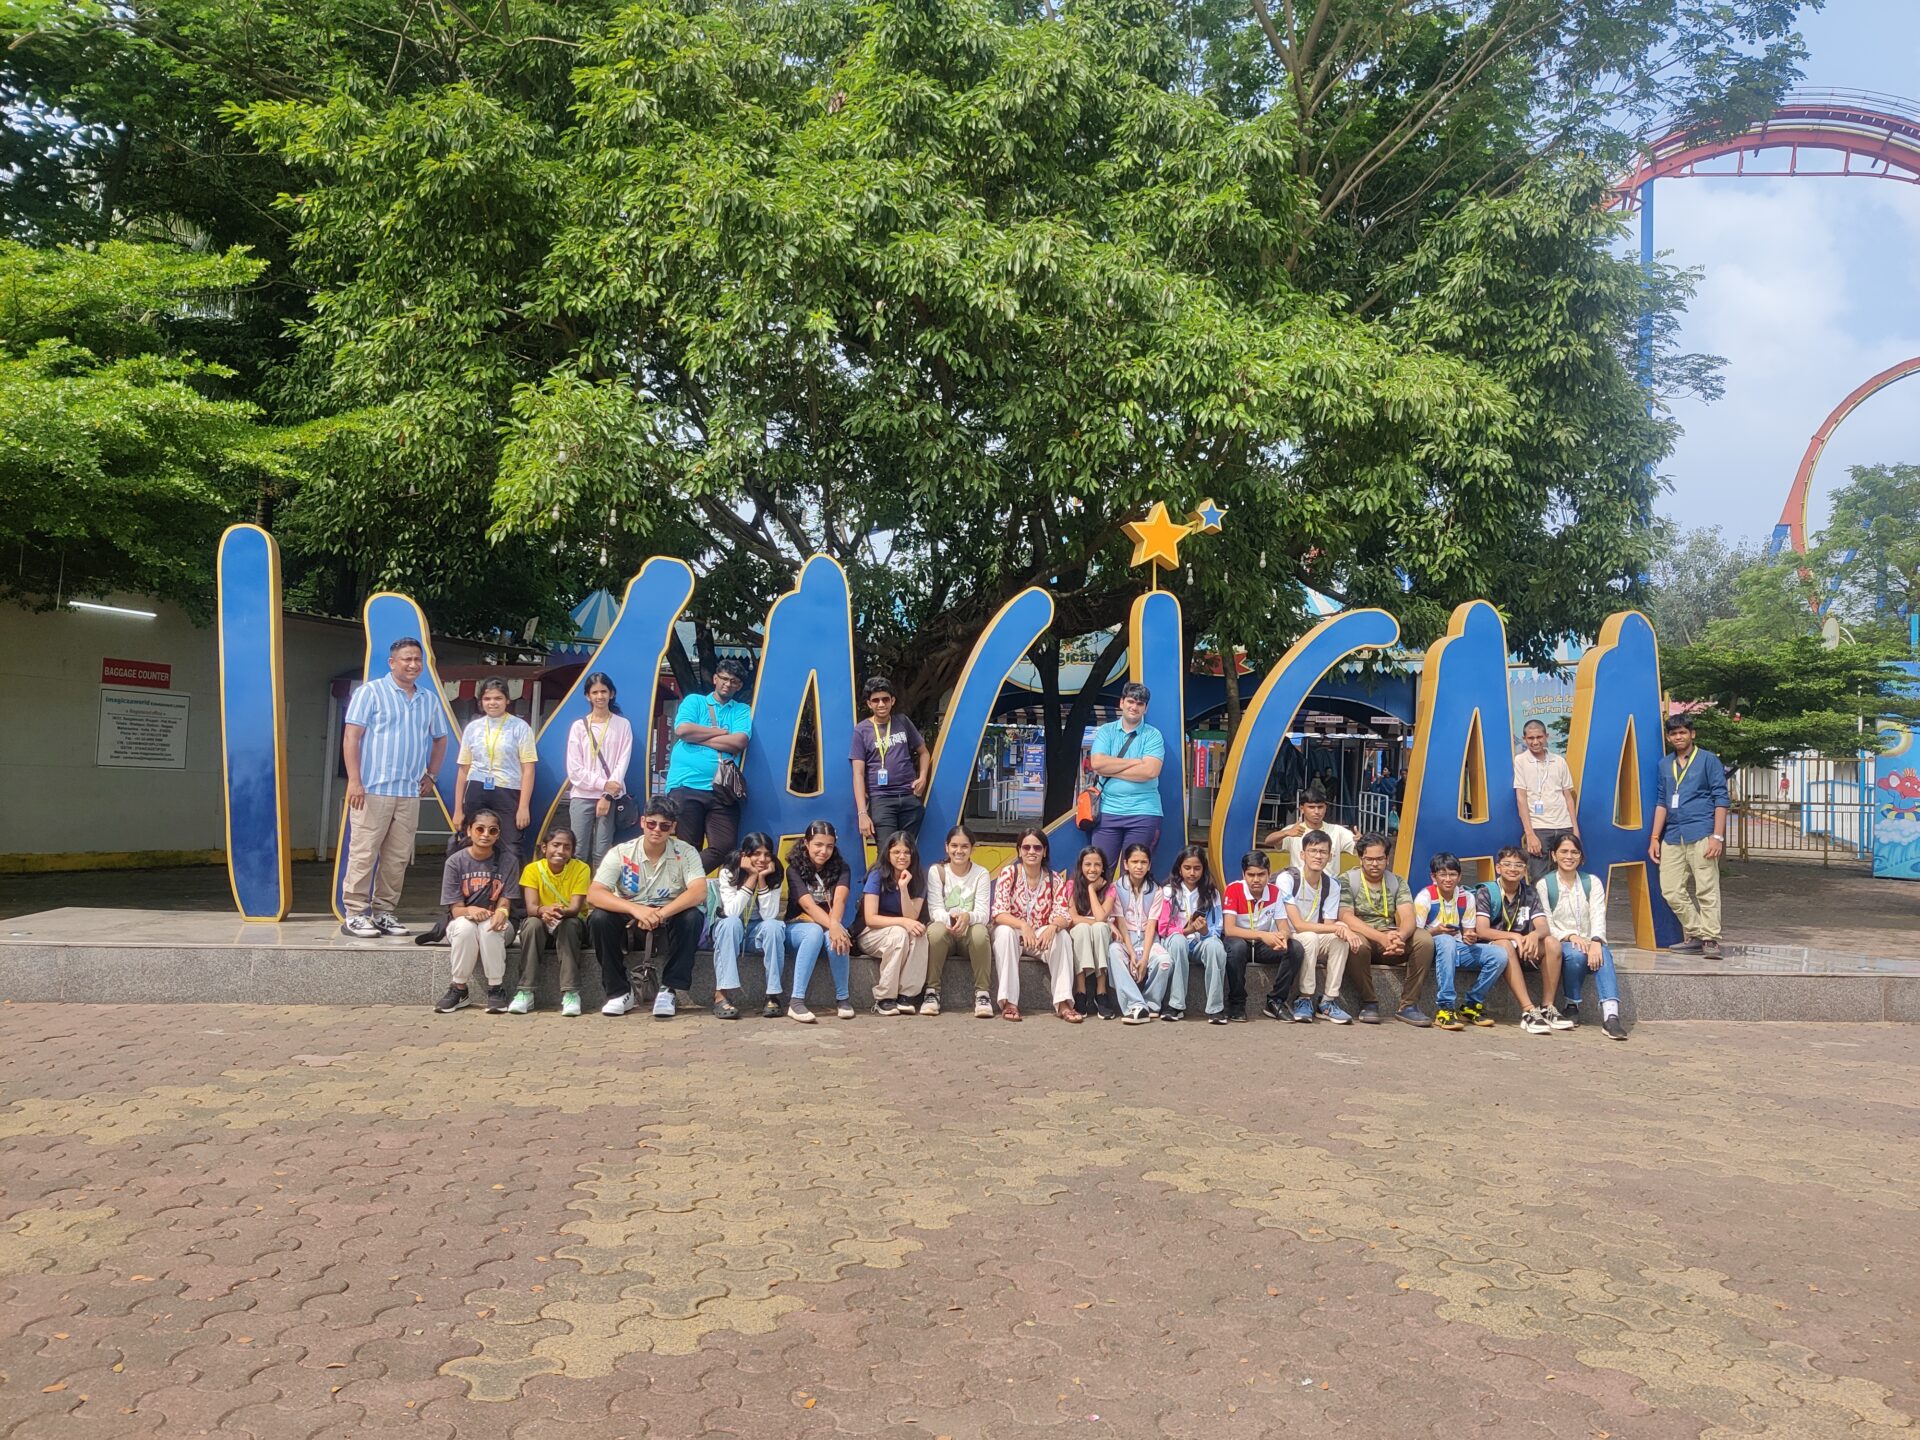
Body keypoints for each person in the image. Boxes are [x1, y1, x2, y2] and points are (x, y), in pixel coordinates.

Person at [340, 636, 452, 939]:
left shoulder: (428, 699)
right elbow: (352, 737)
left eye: (418, 659)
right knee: (364, 853)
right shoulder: (370, 693)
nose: (413, 664)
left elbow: (441, 738)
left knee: (397, 857)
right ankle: (355, 913)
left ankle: (385, 912)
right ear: (392, 662)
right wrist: (355, 780)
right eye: (407, 659)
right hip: (372, 789)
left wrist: (432, 774)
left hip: (409, 792)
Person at [586, 796, 708, 1019]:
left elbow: (699, 891)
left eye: (664, 826)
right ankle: (619, 992)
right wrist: (635, 909)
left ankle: (669, 989)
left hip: (669, 917)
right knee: (599, 918)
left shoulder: (686, 852)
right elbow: (594, 893)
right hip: (630, 918)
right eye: (652, 823)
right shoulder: (621, 852)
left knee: (693, 917)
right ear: (642, 822)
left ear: (673, 828)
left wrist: (659, 913)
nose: (657, 830)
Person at [1650, 713, 1730, 959]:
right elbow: (1662, 800)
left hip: (1702, 831)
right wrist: (1654, 837)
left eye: (1683, 732)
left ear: (1692, 734)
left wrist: (1718, 836)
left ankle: (1710, 939)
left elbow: (1721, 798)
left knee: (1706, 887)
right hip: (1673, 834)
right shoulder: (1665, 764)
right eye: (1674, 733)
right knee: (1671, 890)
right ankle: (1697, 933)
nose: (1678, 737)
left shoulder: (1708, 760)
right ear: (1668, 737)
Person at [1537, 834, 1628, 1040]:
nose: (1569, 856)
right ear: (1554, 855)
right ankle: (1572, 1004)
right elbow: (1546, 921)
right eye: (1564, 851)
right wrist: (1569, 935)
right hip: (1562, 941)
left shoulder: (1592, 882)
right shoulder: (1545, 884)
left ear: (1581, 857)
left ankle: (1611, 1016)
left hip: (1590, 940)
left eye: (1574, 852)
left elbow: (1598, 913)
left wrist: (1596, 941)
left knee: (1604, 955)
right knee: (1575, 954)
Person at [1474, 844, 1572, 1035]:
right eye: (1507, 864)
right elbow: (1482, 930)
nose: (1513, 869)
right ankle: (1528, 1010)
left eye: (1518, 865)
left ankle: (1547, 1007)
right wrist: (1514, 936)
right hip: (1495, 948)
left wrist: (1534, 935)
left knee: (1552, 942)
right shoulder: (1487, 891)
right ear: (1498, 867)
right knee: (1505, 945)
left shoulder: (1530, 892)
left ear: (1525, 870)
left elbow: (1543, 926)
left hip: (1524, 948)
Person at [666, 657, 753, 869]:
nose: (727, 683)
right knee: (688, 847)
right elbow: (683, 730)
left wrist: (700, 736)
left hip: (723, 790)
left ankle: (682, 884)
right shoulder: (695, 701)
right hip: (686, 786)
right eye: (723, 678)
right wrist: (718, 733)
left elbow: (739, 741)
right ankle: (686, 896)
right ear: (715, 678)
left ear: (739, 685)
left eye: (733, 681)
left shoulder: (740, 710)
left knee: (725, 847)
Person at [1335, 834, 1432, 1025]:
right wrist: (1381, 938)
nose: (1374, 864)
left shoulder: (1397, 881)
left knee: (1425, 939)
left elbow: (1408, 917)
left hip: (1391, 939)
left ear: (1387, 859)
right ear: (1360, 858)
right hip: (1365, 935)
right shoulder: (1346, 880)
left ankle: (1409, 1005)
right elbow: (1346, 917)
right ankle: (1369, 1002)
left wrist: (1400, 937)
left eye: (1380, 859)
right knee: (1356, 943)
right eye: (1369, 859)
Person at [451, 678, 539, 881]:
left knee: (510, 844)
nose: (493, 703)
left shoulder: (520, 727)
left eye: (498, 698)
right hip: (477, 787)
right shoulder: (473, 728)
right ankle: (471, 893)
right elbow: (463, 770)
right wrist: (458, 810)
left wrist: (523, 806)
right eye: (487, 698)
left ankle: (512, 903)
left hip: (507, 789)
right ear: (481, 701)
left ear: (507, 700)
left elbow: (528, 769)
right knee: (472, 841)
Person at [989, 827, 1079, 1023]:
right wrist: (1022, 925)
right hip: (1015, 933)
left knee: (1062, 936)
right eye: (1026, 847)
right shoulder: (1009, 874)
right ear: (1019, 850)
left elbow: (1064, 914)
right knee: (1004, 932)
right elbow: (998, 912)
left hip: (1040, 937)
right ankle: (1009, 1002)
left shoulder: (1054, 879)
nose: (1031, 852)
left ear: (1044, 851)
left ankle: (1063, 1002)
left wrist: (1053, 928)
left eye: (1037, 848)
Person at [1412, 852, 1506, 1032]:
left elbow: (1469, 930)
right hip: (1430, 949)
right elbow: (1416, 934)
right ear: (1434, 877)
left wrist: (1470, 936)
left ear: (1460, 876)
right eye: (1443, 874)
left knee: (1499, 954)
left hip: (1457, 948)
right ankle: (1445, 1007)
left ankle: (1472, 1003)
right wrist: (1436, 931)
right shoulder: (1425, 897)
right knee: (1446, 941)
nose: (1448, 879)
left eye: (1453, 874)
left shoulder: (1466, 897)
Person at [433, 809, 512, 1014]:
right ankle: (459, 989)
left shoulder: (508, 860)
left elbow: (507, 899)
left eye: (492, 830)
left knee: (490, 928)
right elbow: (455, 909)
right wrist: (470, 910)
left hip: (496, 921)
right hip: (463, 919)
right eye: (480, 829)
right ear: (469, 831)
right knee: (465, 928)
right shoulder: (455, 862)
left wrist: (502, 911)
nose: (486, 834)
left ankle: (496, 988)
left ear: (498, 834)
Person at [1278, 830, 1355, 1024]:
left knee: (1340, 941)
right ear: (1302, 854)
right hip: (1289, 935)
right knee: (1312, 936)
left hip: (1313, 934)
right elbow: (1297, 924)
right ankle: (1304, 998)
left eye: (1323, 852)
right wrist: (1343, 926)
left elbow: (1328, 925)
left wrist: (1341, 929)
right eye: (1313, 851)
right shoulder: (1287, 879)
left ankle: (1328, 1001)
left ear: (1331, 857)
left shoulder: (1332, 885)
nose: (1318, 856)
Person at [1086, 682, 1166, 866]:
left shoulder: (1153, 735)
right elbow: (1097, 764)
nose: (1134, 707)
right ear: (1121, 703)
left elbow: (1151, 771)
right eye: (1130, 701)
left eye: (1140, 704)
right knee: (1100, 870)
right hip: (1106, 812)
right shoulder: (1106, 731)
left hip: (1144, 812)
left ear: (1145, 708)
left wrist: (1111, 767)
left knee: (1134, 876)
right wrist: (1136, 762)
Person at [513, 826, 591, 1016]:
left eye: (567, 847)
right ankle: (525, 991)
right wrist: (543, 910)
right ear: (544, 848)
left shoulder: (581, 868)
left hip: (569, 922)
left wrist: (557, 912)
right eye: (556, 845)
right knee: (531, 924)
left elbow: (574, 908)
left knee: (569, 925)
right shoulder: (532, 869)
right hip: (541, 923)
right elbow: (531, 908)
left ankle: (571, 993)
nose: (561, 851)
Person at [784, 820, 855, 1024]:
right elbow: (808, 906)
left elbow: (840, 899)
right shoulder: (794, 868)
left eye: (829, 846)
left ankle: (843, 999)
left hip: (827, 925)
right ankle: (796, 1002)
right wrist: (834, 926)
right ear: (806, 843)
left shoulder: (842, 867)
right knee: (817, 932)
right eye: (818, 845)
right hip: (798, 926)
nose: (824, 851)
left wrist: (835, 926)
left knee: (837, 936)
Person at [712, 833, 787, 1021]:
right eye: (756, 854)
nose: (762, 859)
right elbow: (731, 912)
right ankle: (721, 996)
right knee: (731, 923)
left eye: (767, 854)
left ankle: (773, 995)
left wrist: (762, 880)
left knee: (774, 926)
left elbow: (769, 915)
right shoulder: (729, 871)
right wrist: (751, 877)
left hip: (755, 933)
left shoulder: (774, 872)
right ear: (745, 855)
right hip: (730, 931)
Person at [851, 676, 932, 845]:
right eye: (876, 700)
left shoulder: (903, 722)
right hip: (881, 799)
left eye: (885, 699)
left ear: (892, 701)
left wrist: (922, 777)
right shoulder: (861, 730)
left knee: (907, 851)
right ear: (869, 704)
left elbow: (924, 753)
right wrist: (862, 814)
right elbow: (858, 774)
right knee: (887, 853)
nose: (881, 704)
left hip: (908, 796)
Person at [859, 830, 932, 1015]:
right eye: (896, 852)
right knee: (900, 933)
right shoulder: (877, 875)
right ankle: (884, 998)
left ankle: (906, 995)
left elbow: (912, 917)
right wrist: (902, 922)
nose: (902, 856)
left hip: (900, 932)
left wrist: (903, 888)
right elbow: (871, 918)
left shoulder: (918, 878)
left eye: (907, 852)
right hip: (870, 932)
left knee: (921, 935)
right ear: (888, 854)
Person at [565, 672, 632, 869]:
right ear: (587, 696)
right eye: (595, 692)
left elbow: (622, 762)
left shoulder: (622, 724)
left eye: (604, 691)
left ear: (611, 694)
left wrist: (607, 794)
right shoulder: (578, 726)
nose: (600, 696)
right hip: (582, 795)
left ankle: (598, 898)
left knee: (602, 851)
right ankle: (576, 896)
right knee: (577, 849)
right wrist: (603, 784)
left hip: (610, 797)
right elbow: (574, 769)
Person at [927, 824, 994, 1018]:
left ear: (972, 848)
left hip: (969, 936)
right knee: (935, 931)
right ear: (946, 847)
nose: (959, 851)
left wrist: (967, 917)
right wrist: (952, 919)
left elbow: (983, 913)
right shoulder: (937, 871)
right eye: (954, 845)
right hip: (946, 932)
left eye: (964, 846)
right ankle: (932, 992)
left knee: (981, 932)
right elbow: (935, 910)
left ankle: (982, 994)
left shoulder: (981, 873)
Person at [1107, 843, 1178, 1023]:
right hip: (1126, 939)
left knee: (1164, 962)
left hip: (1148, 939)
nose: (1139, 867)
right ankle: (1135, 1005)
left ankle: (1150, 1003)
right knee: (1114, 952)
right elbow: (1121, 923)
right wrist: (1131, 953)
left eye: (1143, 862)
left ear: (1149, 865)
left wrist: (1145, 959)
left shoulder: (1156, 890)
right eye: (1134, 862)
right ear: (1126, 864)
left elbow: (1152, 925)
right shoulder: (1115, 888)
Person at [1223, 850, 1293, 1024]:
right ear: (1243, 874)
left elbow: (1284, 926)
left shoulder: (1275, 892)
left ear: (1269, 874)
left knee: (1295, 949)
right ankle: (1237, 1003)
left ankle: (1276, 1001)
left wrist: (1282, 937)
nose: (1256, 880)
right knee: (1237, 947)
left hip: (1262, 945)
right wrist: (1263, 935)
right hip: (1241, 941)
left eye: (1261, 874)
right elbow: (1229, 929)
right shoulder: (1233, 889)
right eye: (1251, 875)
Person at [1160, 846, 1226, 1023]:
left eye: (1197, 868)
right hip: (1175, 941)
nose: (1192, 873)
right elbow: (1163, 928)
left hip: (1199, 943)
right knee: (1178, 941)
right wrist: (1186, 930)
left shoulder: (1212, 893)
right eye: (1187, 868)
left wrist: (1204, 932)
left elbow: (1217, 927)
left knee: (1215, 946)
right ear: (1179, 868)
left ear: (1203, 869)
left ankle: (1215, 1008)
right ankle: (1175, 1005)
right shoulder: (1168, 892)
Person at [1514, 719, 1579, 883]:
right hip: (1539, 828)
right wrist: (1530, 833)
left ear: (1546, 736)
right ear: (1524, 738)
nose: (1535, 742)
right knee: (1539, 878)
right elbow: (1521, 798)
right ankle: (1542, 909)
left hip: (1564, 826)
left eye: (1539, 737)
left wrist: (1575, 829)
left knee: (1567, 874)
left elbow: (1568, 797)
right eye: (1531, 738)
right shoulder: (1521, 760)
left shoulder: (1559, 761)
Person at [1064, 846, 1118, 1018]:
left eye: (1097, 865)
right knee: (1082, 929)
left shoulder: (1110, 888)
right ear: (1080, 866)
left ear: (1103, 868)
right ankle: (1081, 991)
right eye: (1088, 864)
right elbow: (1072, 918)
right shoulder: (1071, 885)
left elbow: (1101, 917)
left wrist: (1091, 890)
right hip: (1079, 934)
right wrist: (1102, 922)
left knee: (1100, 928)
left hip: (1099, 935)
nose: (1092, 869)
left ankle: (1101, 992)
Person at [1264, 781, 1357, 876]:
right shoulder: (1293, 830)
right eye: (1311, 807)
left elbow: (1359, 846)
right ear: (1302, 809)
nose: (1316, 812)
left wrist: (1362, 840)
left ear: (1326, 808)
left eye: (1320, 807)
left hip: (1329, 887)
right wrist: (1286, 833)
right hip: (1299, 885)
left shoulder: (1337, 831)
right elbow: (1268, 841)